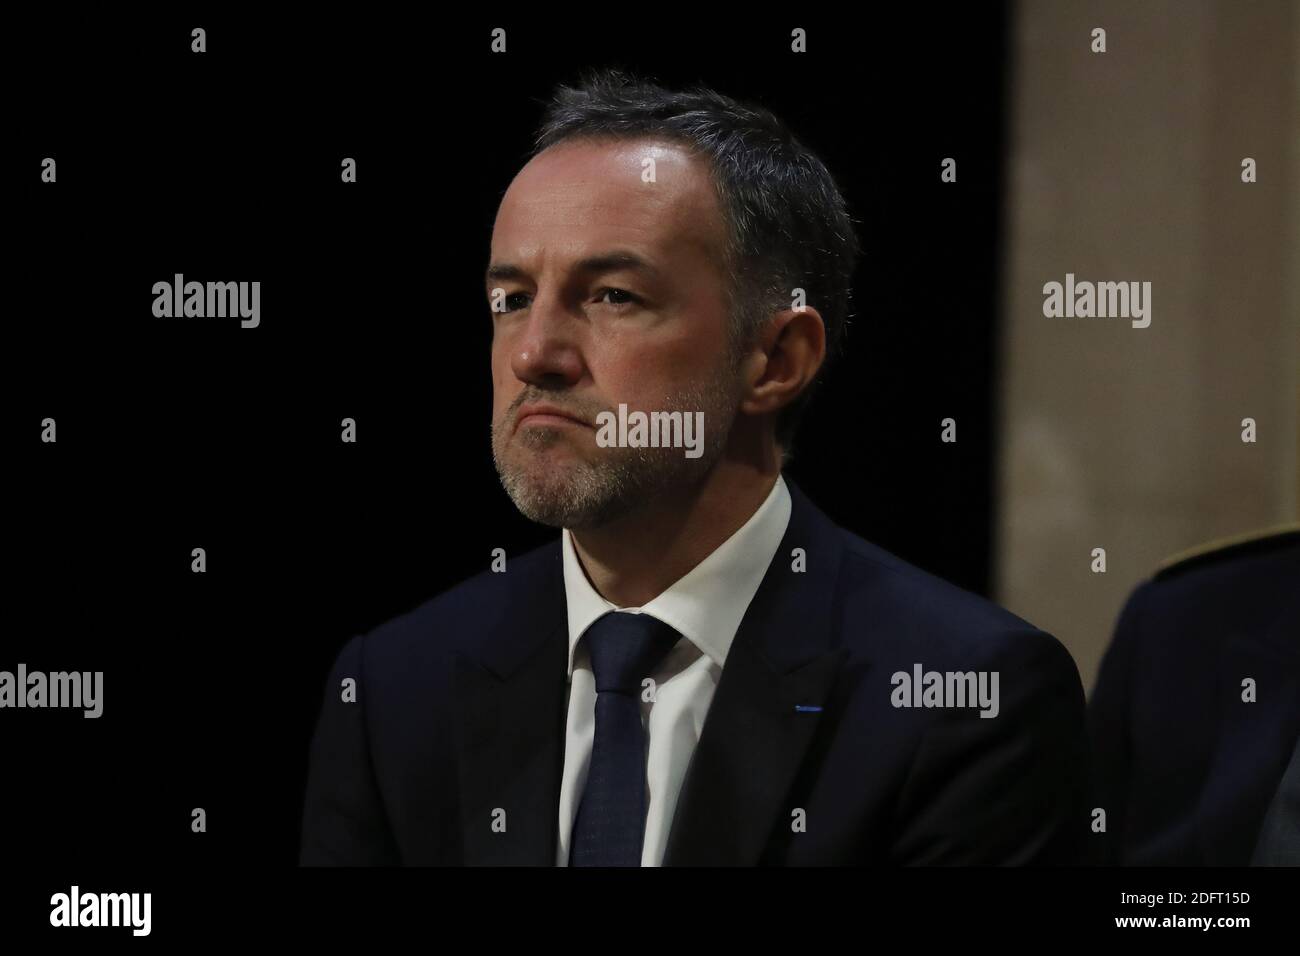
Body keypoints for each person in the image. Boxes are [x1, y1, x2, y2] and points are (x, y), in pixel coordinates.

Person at [299, 68, 1089, 866]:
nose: (534, 354)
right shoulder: (396, 686)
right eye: (511, 299)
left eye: (610, 295)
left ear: (777, 357)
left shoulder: (964, 697)